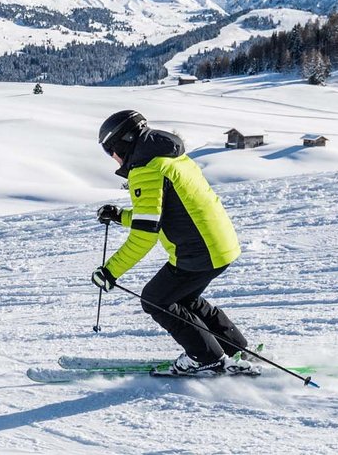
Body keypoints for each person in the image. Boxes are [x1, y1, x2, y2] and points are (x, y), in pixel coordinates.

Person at [90, 110, 257, 377]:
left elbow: (146, 234)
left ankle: (205, 358)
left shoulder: (146, 169)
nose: (113, 158)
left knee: (155, 299)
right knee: (184, 299)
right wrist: (121, 216)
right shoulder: (169, 157)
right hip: (220, 243)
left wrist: (110, 272)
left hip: (199, 251)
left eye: (110, 151)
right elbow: (159, 215)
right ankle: (235, 349)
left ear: (123, 142)